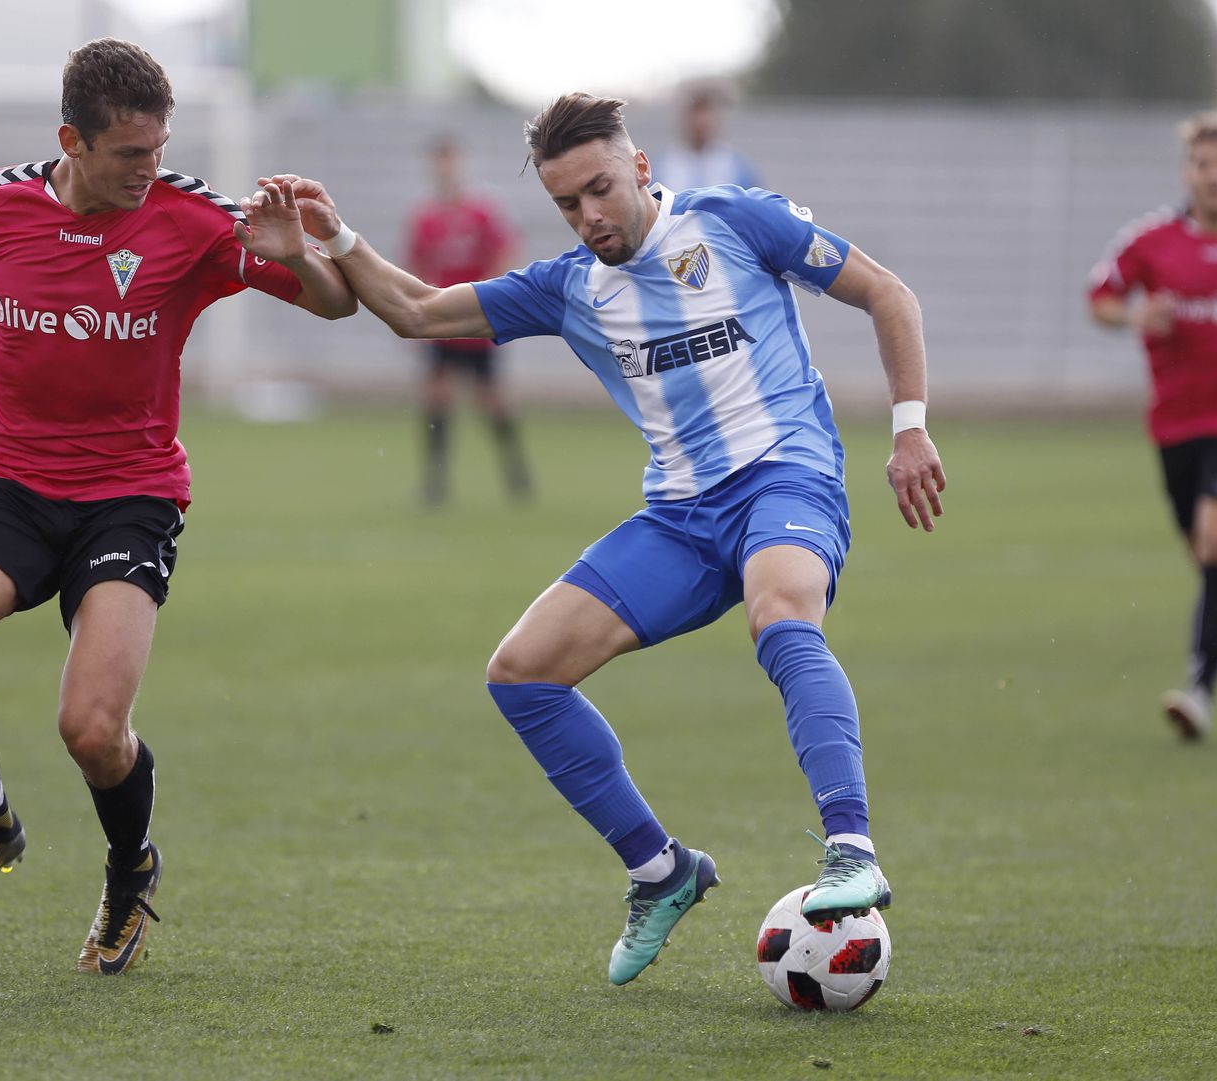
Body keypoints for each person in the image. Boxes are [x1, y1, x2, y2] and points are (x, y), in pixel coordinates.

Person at [244, 92, 944, 985]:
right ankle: (660, 871)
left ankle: (850, 848)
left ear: (641, 169)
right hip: (681, 518)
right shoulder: (569, 286)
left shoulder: (736, 222)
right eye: (567, 203)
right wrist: (335, 239)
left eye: (601, 190)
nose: (589, 216)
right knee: (521, 670)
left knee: (780, 616)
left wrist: (911, 426)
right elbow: (417, 312)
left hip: (785, 478)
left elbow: (888, 293)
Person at [0, 38, 354, 974]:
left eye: (159, 148)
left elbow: (333, 308)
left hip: (131, 496)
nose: (150, 170)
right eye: (131, 153)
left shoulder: (193, 219)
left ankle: (131, 870)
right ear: (71, 141)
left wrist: (309, 252)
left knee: (90, 729)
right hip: (11, 480)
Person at [1089, 109, 1217, 742]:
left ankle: (1200, 694)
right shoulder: (1150, 241)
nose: (1214, 176)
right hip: (1178, 426)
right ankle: (1203, 689)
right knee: (1212, 556)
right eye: (1203, 164)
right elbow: (1101, 298)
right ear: (1188, 171)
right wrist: (1134, 318)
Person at [404, 137, 533, 505]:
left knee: (493, 401)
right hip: (442, 322)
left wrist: (486, 298)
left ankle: (516, 473)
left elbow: (507, 252)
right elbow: (415, 266)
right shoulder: (425, 217)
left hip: (475, 319)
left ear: (461, 164)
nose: (445, 168)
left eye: (451, 160)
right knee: (436, 400)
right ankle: (435, 482)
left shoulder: (484, 211)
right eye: (439, 161)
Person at [653, 83, 761, 195]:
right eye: (695, 113)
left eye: (705, 112)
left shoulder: (740, 169)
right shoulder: (661, 167)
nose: (700, 121)